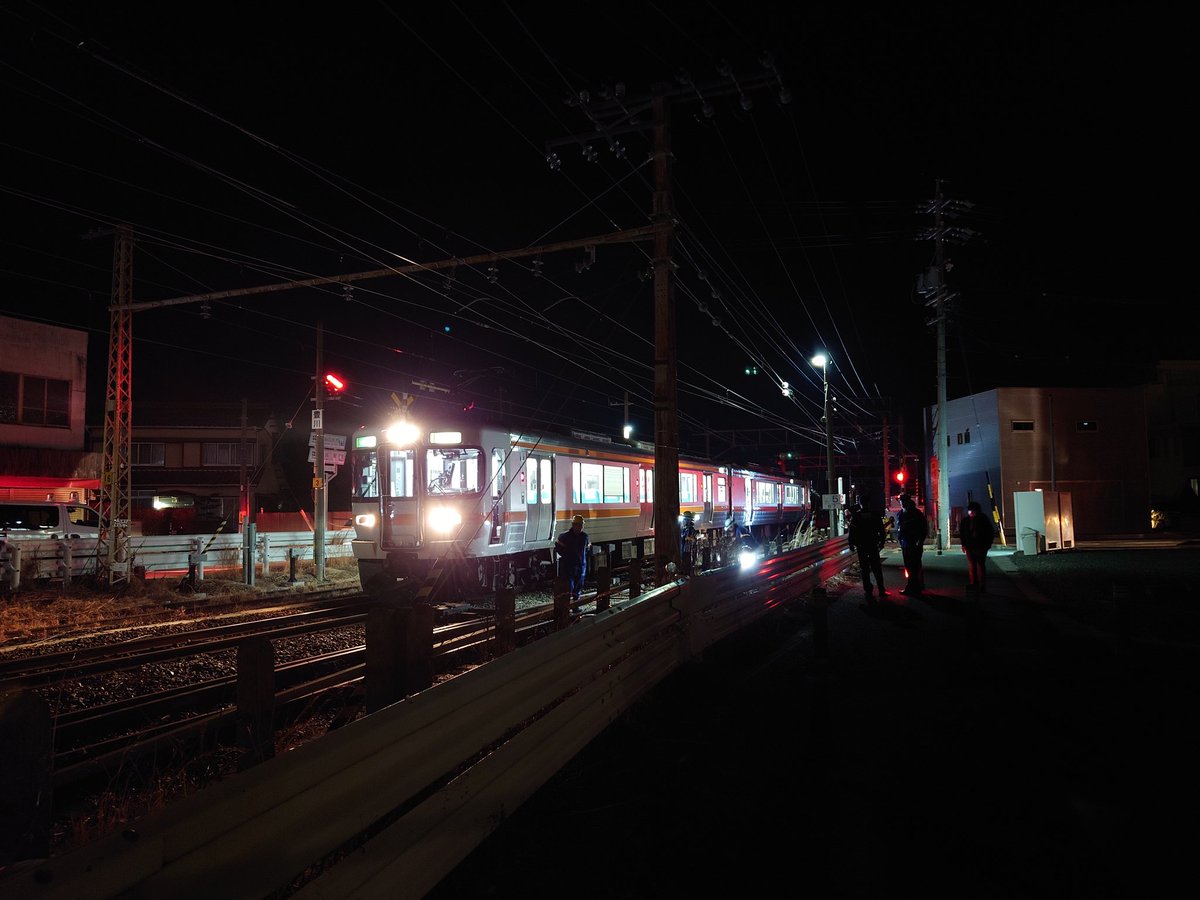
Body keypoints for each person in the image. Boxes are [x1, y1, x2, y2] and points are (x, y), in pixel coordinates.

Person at [847, 499, 888, 602]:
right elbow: (881, 530)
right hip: (873, 544)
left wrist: (851, 544)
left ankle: (868, 591)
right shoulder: (875, 515)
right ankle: (881, 589)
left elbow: (852, 531)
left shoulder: (857, 516)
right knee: (876, 568)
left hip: (862, 545)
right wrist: (882, 542)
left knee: (864, 568)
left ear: (861, 504)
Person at [958, 500, 996, 592]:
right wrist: (963, 544)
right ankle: (975, 583)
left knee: (978, 565)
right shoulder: (967, 521)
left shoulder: (982, 520)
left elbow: (989, 533)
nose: (971, 512)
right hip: (971, 546)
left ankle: (980, 584)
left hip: (980, 546)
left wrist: (988, 544)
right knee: (974, 565)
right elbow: (962, 533)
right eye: (970, 510)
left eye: (972, 510)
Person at [554, 514, 590, 604]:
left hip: (579, 565)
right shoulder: (565, 537)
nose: (581, 527)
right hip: (570, 566)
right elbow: (559, 548)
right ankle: (568, 605)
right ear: (574, 525)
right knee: (569, 586)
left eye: (582, 525)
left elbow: (587, 548)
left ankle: (575, 606)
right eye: (580, 525)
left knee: (578, 586)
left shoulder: (584, 537)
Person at [897, 493, 928, 596]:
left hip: (914, 543)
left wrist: (920, 541)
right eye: (900, 501)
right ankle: (917, 586)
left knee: (914, 566)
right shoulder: (901, 513)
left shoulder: (916, 513)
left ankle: (913, 587)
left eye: (903, 501)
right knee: (909, 566)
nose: (901, 503)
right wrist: (900, 540)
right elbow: (900, 529)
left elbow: (923, 528)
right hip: (905, 543)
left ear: (908, 501)